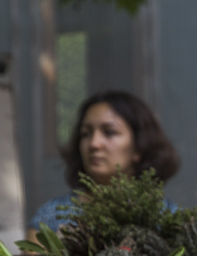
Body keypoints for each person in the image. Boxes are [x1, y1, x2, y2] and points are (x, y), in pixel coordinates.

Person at [27, 90, 181, 238]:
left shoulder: (169, 219)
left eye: (109, 132)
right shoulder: (52, 215)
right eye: (86, 133)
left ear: (139, 146)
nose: (94, 144)